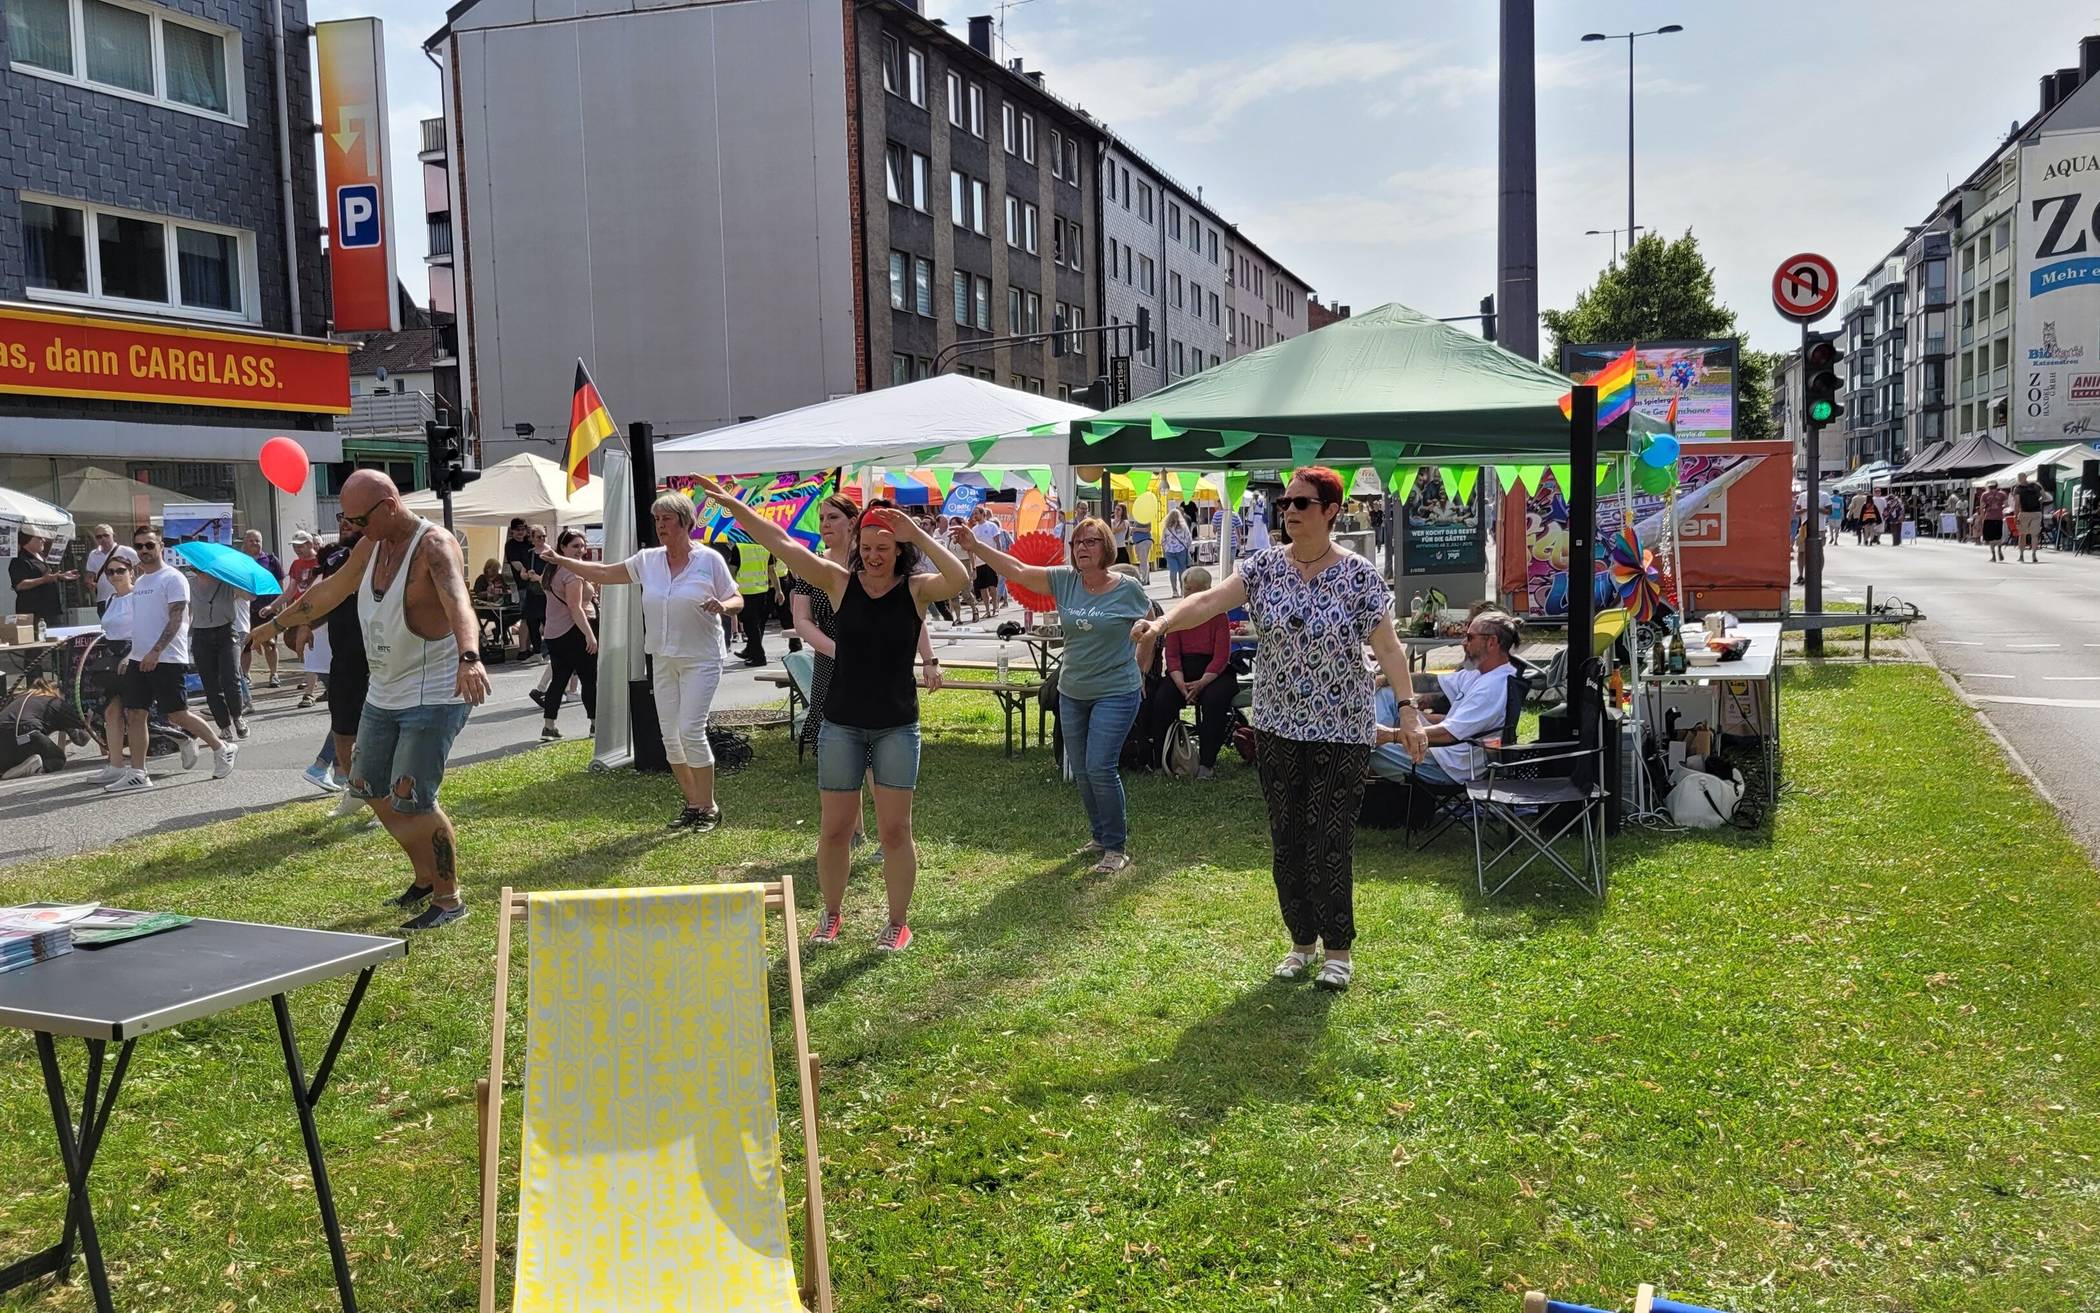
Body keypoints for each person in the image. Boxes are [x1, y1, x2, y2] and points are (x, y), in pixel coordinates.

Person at [1132, 467, 1409, 993]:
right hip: (1278, 724)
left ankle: (1338, 952)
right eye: (1285, 503)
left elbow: (1389, 647)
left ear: (1331, 510)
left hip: (1341, 727)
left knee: (1329, 837)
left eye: (1302, 503)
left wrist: (1408, 707)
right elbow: (1208, 601)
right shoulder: (1261, 569)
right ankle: (1301, 943)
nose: (1290, 511)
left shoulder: (1358, 575)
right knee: (1287, 838)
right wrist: (1162, 623)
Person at [707, 480, 969, 952]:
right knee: (835, 828)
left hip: (895, 725)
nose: (872, 556)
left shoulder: (916, 589)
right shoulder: (838, 582)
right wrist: (736, 508)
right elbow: (781, 542)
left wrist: (919, 534)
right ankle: (831, 914)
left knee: (895, 830)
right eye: (866, 547)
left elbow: (961, 579)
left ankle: (897, 922)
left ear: (900, 549)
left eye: (884, 548)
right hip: (842, 724)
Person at [254, 474, 488, 928]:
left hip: (434, 691)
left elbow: (461, 603)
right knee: (369, 788)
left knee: (413, 797)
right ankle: (424, 878)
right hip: (384, 690)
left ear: (389, 505)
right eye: (347, 519)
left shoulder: (432, 546)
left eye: (360, 519)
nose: (355, 528)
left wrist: (470, 657)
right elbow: (330, 590)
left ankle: (449, 899)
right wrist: (274, 626)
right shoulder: (372, 544)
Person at [960, 515, 1153, 874]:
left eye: (1091, 541)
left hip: (1115, 690)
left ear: (1107, 547)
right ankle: (1098, 836)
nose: (1082, 548)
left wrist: (1142, 667)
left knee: (1100, 767)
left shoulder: (1128, 588)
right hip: (1072, 691)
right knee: (1080, 769)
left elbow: (1151, 628)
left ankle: (1115, 846)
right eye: (1078, 542)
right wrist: (976, 547)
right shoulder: (1065, 581)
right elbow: (1017, 570)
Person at [537, 493, 741, 830]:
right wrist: (561, 560)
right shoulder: (648, 560)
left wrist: (724, 605)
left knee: (690, 729)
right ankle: (694, 803)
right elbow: (601, 573)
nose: (661, 526)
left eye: (667, 519)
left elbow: (737, 597)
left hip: (701, 657)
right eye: (657, 519)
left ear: (686, 523)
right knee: (669, 736)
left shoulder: (709, 560)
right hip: (662, 656)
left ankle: (709, 807)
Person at [792, 496, 943, 842]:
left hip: (877, 666)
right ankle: (853, 828)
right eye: (822, 518)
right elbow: (801, 621)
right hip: (831, 661)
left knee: (879, 750)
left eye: (833, 517)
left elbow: (912, 618)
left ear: (853, 522)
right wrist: (836, 651)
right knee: (842, 748)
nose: (826, 524)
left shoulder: (883, 566)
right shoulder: (817, 567)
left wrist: (929, 659)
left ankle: (886, 826)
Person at [103, 527, 236, 793]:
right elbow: (142, 623)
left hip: (167, 658)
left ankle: (222, 748)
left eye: (149, 545)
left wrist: (156, 652)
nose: (144, 550)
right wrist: (135, 654)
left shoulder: (173, 578)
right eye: (139, 546)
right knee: (135, 713)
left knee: (177, 714)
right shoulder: (140, 582)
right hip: (139, 658)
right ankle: (138, 772)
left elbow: (177, 619)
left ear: (160, 546)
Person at [1370, 612, 1524, 789]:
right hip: (1441, 751)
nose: (1463, 643)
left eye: (1469, 637)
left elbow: (1448, 734)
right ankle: (1372, 744)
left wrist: (1389, 735)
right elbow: (1431, 682)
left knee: (1362, 746)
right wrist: (1384, 679)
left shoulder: (1494, 687)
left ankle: (1367, 752)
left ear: (1492, 642)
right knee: (1390, 693)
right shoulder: (1479, 673)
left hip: (1449, 766)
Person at [1142, 565, 1237, 779]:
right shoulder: (1177, 616)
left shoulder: (1218, 616)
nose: (1190, 594)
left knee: (1215, 701)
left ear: (1207, 590)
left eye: (1195, 589)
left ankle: (1207, 762)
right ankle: (1161, 760)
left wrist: (1202, 682)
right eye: (1187, 589)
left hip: (1213, 672)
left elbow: (1221, 656)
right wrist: (1181, 683)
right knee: (1162, 699)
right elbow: (1172, 655)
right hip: (1182, 671)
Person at [302, 513, 367, 799]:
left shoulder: (382, 556)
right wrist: (306, 624)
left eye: (353, 518)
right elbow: (326, 598)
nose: (343, 522)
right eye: (341, 517)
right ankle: (341, 777)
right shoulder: (336, 559)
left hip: (375, 654)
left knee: (364, 722)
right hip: (343, 654)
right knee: (344, 719)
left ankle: (346, 779)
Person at [536, 528, 598, 741]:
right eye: (575, 546)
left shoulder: (551, 569)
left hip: (554, 632)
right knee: (589, 678)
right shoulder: (572, 573)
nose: (580, 550)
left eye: (582, 546)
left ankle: (549, 726)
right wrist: (589, 635)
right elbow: (575, 607)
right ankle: (595, 724)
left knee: (559, 678)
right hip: (574, 631)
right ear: (562, 547)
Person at [189, 570, 252, 740]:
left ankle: (237, 717)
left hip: (226, 633)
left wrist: (238, 579)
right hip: (201, 635)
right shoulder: (189, 583)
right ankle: (224, 725)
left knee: (231, 677)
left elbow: (250, 596)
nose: (196, 567)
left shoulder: (226, 581)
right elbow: (185, 611)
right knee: (210, 684)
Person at [238, 529, 286, 689]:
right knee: (246, 645)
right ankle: (246, 676)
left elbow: (280, 585)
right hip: (246, 610)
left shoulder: (271, 560)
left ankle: (274, 674)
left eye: (257, 540)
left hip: (267, 608)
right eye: (251, 540)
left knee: (270, 644)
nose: (254, 543)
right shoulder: (240, 561)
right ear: (245, 543)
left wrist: (277, 605)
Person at [8, 535, 74, 631]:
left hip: (51, 609)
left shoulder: (41, 557)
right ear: (27, 540)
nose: (43, 540)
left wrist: (60, 576)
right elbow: (19, 585)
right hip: (35, 612)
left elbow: (47, 577)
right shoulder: (19, 560)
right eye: (39, 538)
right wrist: (43, 579)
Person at [734, 536, 781, 666]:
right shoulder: (764, 546)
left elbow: (732, 572)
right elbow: (772, 571)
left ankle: (759, 657)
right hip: (763, 591)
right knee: (757, 626)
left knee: (751, 628)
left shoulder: (739, 547)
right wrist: (778, 590)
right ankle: (751, 652)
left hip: (745, 593)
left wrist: (730, 591)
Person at [84, 524, 137, 617]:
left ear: (113, 535)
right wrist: (90, 583)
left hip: (127, 596)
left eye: (106, 535)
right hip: (103, 599)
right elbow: (90, 575)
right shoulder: (93, 555)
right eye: (99, 537)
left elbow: (144, 569)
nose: (103, 539)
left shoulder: (126, 551)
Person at [968, 507, 1003, 620]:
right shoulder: (973, 530)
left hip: (990, 560)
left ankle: (995, 608)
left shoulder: (992, 526)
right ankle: (987, 610)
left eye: (977, 513)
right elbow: (972, 547)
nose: (975, 516)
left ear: (983, 514)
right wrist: (972, 565)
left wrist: (998, 557)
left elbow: (998, 542)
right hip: (979, 562)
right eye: (974, 514)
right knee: (982, 588)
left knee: (993, 586)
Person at [2014, 472, 2048, 562]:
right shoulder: (2036, 486)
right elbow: (2044, 497)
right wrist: (2039, 502)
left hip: (2024, 512)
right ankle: (2034, 554)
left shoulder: (2017, 489)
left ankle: (2021, 555)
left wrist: (2015, 515)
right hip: (2036, 512)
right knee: (2034, 535)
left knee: (2022, 534)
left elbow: (2017, 503)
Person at [1161, 508, 1193, 596]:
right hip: (1181, 551)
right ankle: (1183, 590)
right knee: (1182, 571)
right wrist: (1188, 548)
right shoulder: (1183, 527)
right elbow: (1189, 539)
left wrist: (1165, 550)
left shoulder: (1166, 528)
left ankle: (1174, 591)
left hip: (1170, 552)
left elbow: (1163, 541)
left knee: (1173, 571)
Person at [1978, 480, 2009, 562]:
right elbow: (2006, 505)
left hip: (1988, 518)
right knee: (1998, 536)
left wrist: (1982, 516)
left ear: (1988, 486)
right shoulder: (2002, 494)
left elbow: (1981, 507)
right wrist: (2000, 506)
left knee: (1990, 538)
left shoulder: (1985, 494)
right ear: (1996, 486)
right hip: (1999, 518)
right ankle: (1999, 549)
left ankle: (1993, 556)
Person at [1128, 503, 1154, 586]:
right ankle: (1146, 578)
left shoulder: (1145, 517)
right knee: (1143, 560)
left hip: (1144, 540)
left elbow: (1148, 529)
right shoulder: (1138, 518)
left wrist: (1135, 529)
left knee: (1143, 561)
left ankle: (1144, 579)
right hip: (1139, 541)